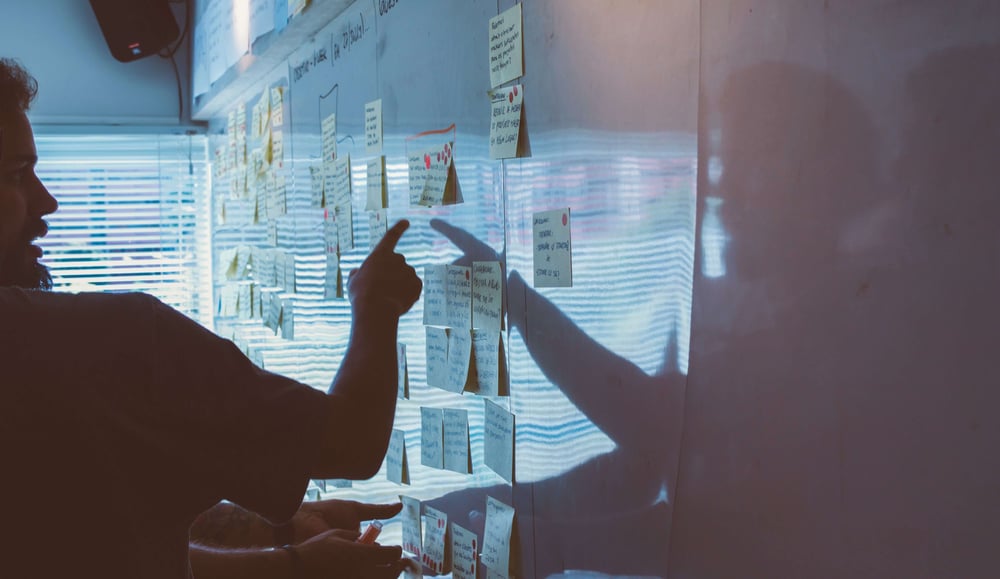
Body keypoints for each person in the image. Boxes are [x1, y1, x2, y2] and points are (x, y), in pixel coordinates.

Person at [0, 57, 421, 578]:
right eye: (17, 175)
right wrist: (375, 306)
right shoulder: (114, 341)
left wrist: (285, 541)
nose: (48, 201)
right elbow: (352, 442)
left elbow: (91, 539)